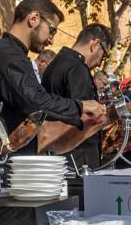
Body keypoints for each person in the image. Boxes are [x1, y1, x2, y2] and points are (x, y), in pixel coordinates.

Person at [0, 0, 103, 142]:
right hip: (2, 158)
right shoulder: (10, 55)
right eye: (52, 31)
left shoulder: (1, 50)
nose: (51, 41)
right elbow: (36, 102)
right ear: (33, 19)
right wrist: (80, 106)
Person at [42, 22, 114, 170]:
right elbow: (86, 117)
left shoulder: (57, 62)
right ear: (95, 44)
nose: (100, 63)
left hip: (58, 154)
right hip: (79, 159)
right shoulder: (77, 68)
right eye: (104, 55)